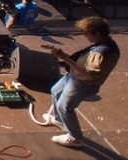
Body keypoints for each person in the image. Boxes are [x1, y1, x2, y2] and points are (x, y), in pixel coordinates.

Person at [43, 16, 121, 148]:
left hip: (82, 83)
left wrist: (64, 58)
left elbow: (88, 73)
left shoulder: (101, 52)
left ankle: (75, 138)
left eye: (87, 34)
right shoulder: (103, 44)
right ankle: (60, 121)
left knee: (65, 107)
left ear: (97, 33)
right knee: (55, 91)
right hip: (74, 76)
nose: (85, 36)